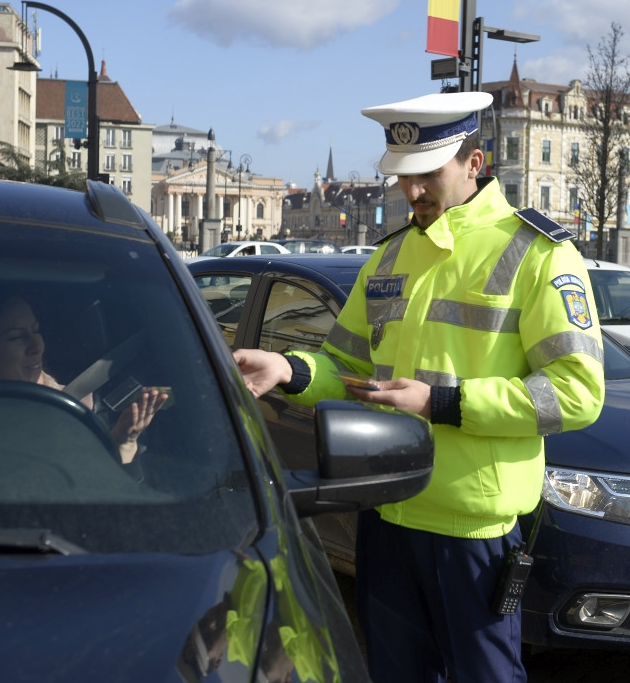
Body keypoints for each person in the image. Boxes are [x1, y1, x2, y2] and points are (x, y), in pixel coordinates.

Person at [233, 91, 605, 682]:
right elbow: (344, 365)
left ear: (474, 163)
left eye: (428, 174)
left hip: (472, 528)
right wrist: (290, 370)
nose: (412, 191)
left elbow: (577, 392)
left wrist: (443, 403)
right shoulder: (389, 257)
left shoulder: (538, 254)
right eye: (404, 177)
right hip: (387, 512)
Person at [0, 293, 168, 465]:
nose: (37, 346)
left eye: (36, 330)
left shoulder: (85, 408)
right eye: (16, 337)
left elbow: (114, 494)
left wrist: (123, 443)